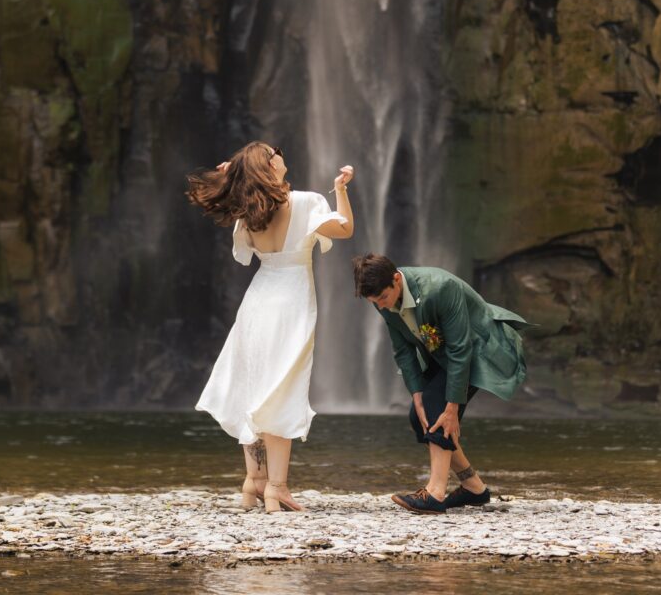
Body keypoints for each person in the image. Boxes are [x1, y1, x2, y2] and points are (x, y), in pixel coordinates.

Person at [187, 142, 354, 513]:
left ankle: (253, 483)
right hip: (292, 301)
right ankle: (277, 488)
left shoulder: (248, 211)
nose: (280, 152)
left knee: (254, 388)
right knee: (281, 390)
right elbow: (345, 229)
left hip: (258, 300)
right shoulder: (308, 202)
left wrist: (233, 174)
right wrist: (341, 190)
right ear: (268, 164)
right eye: (273, 151)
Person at [352, 254, 527, 514]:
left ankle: (435, 493)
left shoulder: (441, 288)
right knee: (419, 417)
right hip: (442, 354)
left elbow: (460, 349)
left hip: (479, 349)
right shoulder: (382, 299)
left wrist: (453, 407)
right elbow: (402, 350)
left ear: (396, 279)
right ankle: (474, 488)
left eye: (383, 299)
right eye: (375, 302)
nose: (382, 306)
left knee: (439, 413)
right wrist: (417, 394)